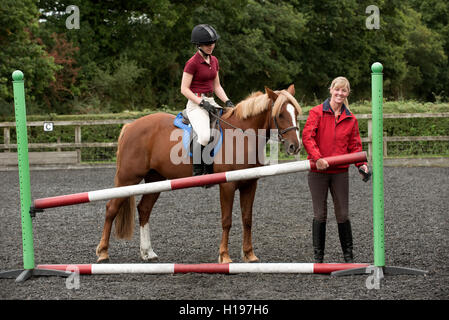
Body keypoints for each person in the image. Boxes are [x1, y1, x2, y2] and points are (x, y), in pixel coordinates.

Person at [302, 76, 369, 263]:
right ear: (331, 90)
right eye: (337, 89)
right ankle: (318, 258)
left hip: (340, 172)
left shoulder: (351, 119)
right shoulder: (316, 113)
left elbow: (355, 146)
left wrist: (361, 165)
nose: (340, 93)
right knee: (320, 214)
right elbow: (308, 137)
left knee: (343, 214)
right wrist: (318, 157)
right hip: (318, 172)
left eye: (344, 90)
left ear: (347, 93)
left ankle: (348, 256)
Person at [180, 24, 234, 176]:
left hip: (211, 101)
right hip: (196, 104)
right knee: (204, 136)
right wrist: (201, 103)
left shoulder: (214, 60)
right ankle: (198, 171)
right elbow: (184, 89)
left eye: (212, 43)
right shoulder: (192, 63)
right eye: (207, 44)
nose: (211, 46)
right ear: (198, 45)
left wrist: (228, 101)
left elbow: (217, 86)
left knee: (229, 126)